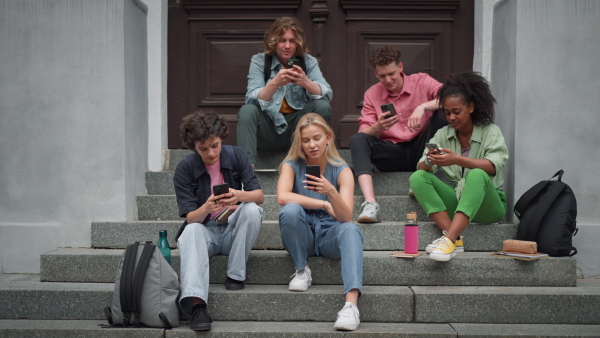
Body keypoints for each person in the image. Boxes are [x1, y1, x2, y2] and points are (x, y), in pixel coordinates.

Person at [173, 112, 264, 331]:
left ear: (222, 138)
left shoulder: (237, 156)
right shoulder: (185, 168)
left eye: (215, 145)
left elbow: (259, 196)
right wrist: (206, 207)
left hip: (233, 230)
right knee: (191, 230)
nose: (211, 153)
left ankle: (235, 275)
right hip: (206, 234)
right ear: (193, 146)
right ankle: (197, 307)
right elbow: (191, 218)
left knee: (252, 210)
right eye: (203, 149)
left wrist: (238, 196)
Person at [409, 72, 509, 262]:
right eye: (447, 113)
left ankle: (448, 239)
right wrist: (430, 160)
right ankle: (454, 239)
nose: (451, 117)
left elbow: (493, 165)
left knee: (478, 174)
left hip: (489, 206)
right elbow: (422, 167)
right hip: (459, 200)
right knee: (417, 177)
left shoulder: (490, 131)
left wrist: (457, 160)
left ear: (471, 107)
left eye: (456, 111)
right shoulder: (442, 134)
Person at [277, 113, 363, 331]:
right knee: (290, 210)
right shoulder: (291, 165)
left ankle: (351, 306)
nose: (312, 145)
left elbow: (345, 217)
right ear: (300, 143)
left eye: (316, 138)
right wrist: (324, 205)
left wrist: (331, 192)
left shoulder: (342, 170)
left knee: (351, 230)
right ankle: (301, 269)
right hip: (301, 234)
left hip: (329, 236)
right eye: (306, 141)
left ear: (328, 137)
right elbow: (282, 197)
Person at [350, 46, 448, 223]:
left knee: (441, 115)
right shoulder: (372, 94)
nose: (387, 80)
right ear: (375, 73)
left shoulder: (422, 81)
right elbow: (363, 133)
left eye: (391, 74)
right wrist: (378, 127)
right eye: (382, 76)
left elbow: (450, 97)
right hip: (392, 152)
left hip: (422, 149)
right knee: (357, 140)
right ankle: (370, 203)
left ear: (401, 67)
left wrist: (423, 106)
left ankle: (422, 174)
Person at [237, 16, 333, 167]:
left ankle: (313, 166)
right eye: (282, 40)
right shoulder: (259, 60)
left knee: (322, 106)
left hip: (299, 133)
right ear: (273, 42)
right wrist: (275, 83)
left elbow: (327, 94)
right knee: (247, 111)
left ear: (298, 43)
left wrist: (305, 82)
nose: (287, 46)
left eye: (292, 41)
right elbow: (251, 99)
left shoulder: (308, 61)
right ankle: (246, 171)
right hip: (268, 130)